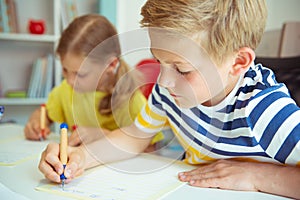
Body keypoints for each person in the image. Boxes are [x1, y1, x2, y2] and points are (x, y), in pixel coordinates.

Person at [38, 1, 300, 198]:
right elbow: (135, 136)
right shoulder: (171, 91)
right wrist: (81, 156)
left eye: (181, 69)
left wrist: (256, 176)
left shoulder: (264, 108)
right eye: (159, 61)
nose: (163, 81)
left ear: (238, 62)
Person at [24, 14, 163, 147]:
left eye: (81, 74)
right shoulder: (66, 90)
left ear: (111, 65)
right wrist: (37, 122)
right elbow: (46, 113)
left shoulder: (131, 101)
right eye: (65, 70)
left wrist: (105, 136)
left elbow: (151, 148)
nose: (70, 81)